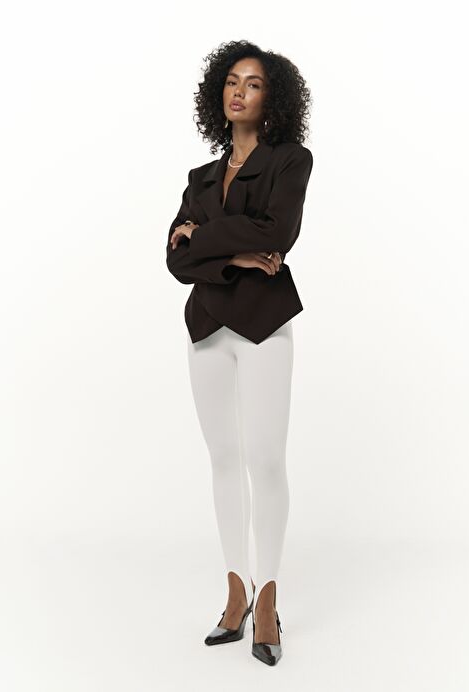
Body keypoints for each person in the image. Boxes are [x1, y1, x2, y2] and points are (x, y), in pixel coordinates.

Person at [166, 40, 313, 666]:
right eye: (231, 81)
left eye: (253, 84)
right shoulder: (199, 178)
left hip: (264, 323)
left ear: (271, 99)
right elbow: (174, 260)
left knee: (266, 459)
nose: (239, 91)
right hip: (207, 325)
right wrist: (235, 254)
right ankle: (235, 592)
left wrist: (204, 237)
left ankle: (269, 599)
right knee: (223, 458)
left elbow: (279, 232)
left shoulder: (290, 161)